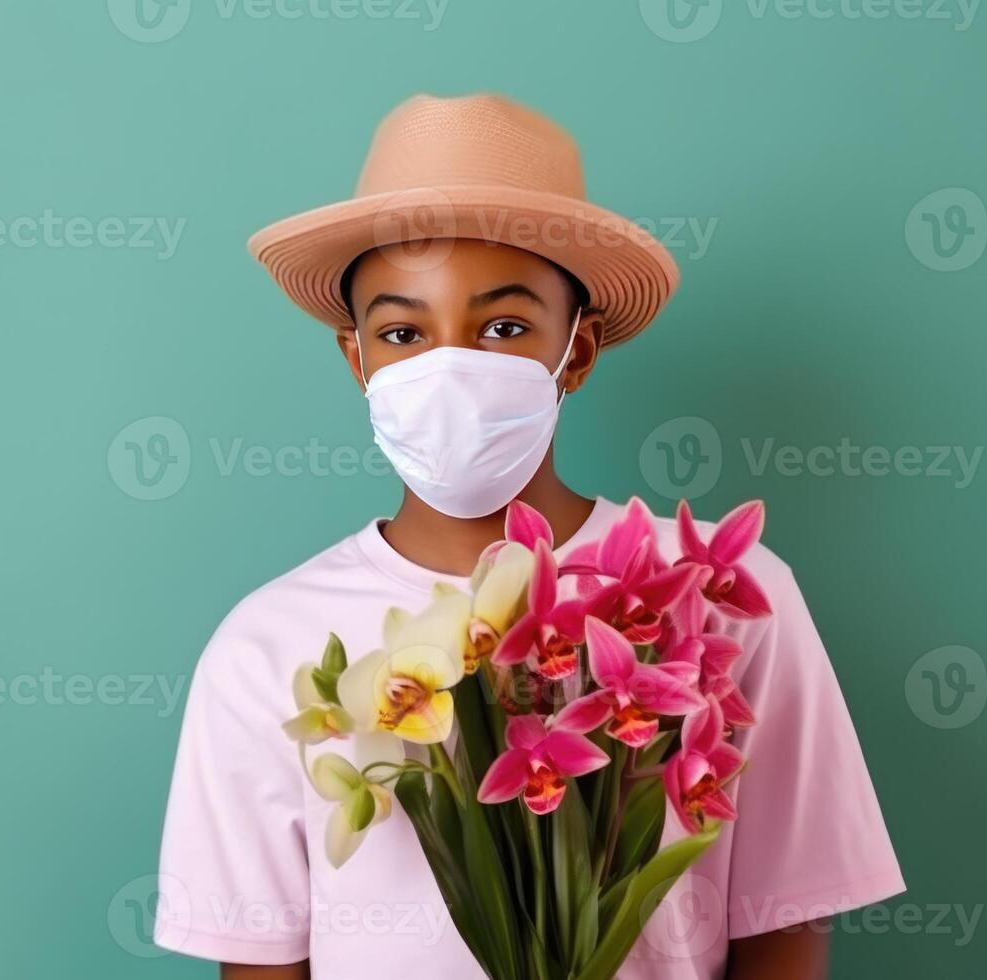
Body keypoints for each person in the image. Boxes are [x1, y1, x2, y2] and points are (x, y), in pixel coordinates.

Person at [155, 93, 903, 979]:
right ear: (357, 358)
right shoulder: (266, 647)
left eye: (504, 327)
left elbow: (784, 922)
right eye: (402, 332)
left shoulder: (714, 600)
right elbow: (260, 961)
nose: (449, 366)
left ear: (575, 351)